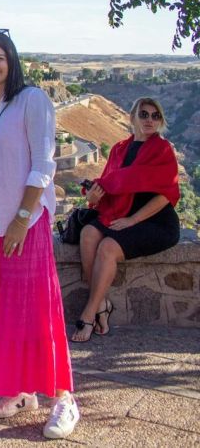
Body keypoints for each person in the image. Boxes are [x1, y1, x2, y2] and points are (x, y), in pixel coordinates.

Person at [0, 32, 79, 440]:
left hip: (21, 217)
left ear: (12, 60)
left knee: (35, 303)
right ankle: (19, 389)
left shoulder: (33, 100)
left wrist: (22, 217)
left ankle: (63, 396)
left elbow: (43, 164)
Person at [71, 97, 180, 343]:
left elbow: (167, 195)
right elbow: (107, 185)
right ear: (133, 117)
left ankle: (89, 314)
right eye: (144, 114)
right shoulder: (120, 148)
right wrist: (93, 195)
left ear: (160, 121)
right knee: (88, 234)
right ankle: (101, 304)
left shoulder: (162, 149)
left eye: (155, 116)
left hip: (156, 221)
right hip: (121, 212)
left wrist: (133, 220)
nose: (150, 120)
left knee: (108, 247)